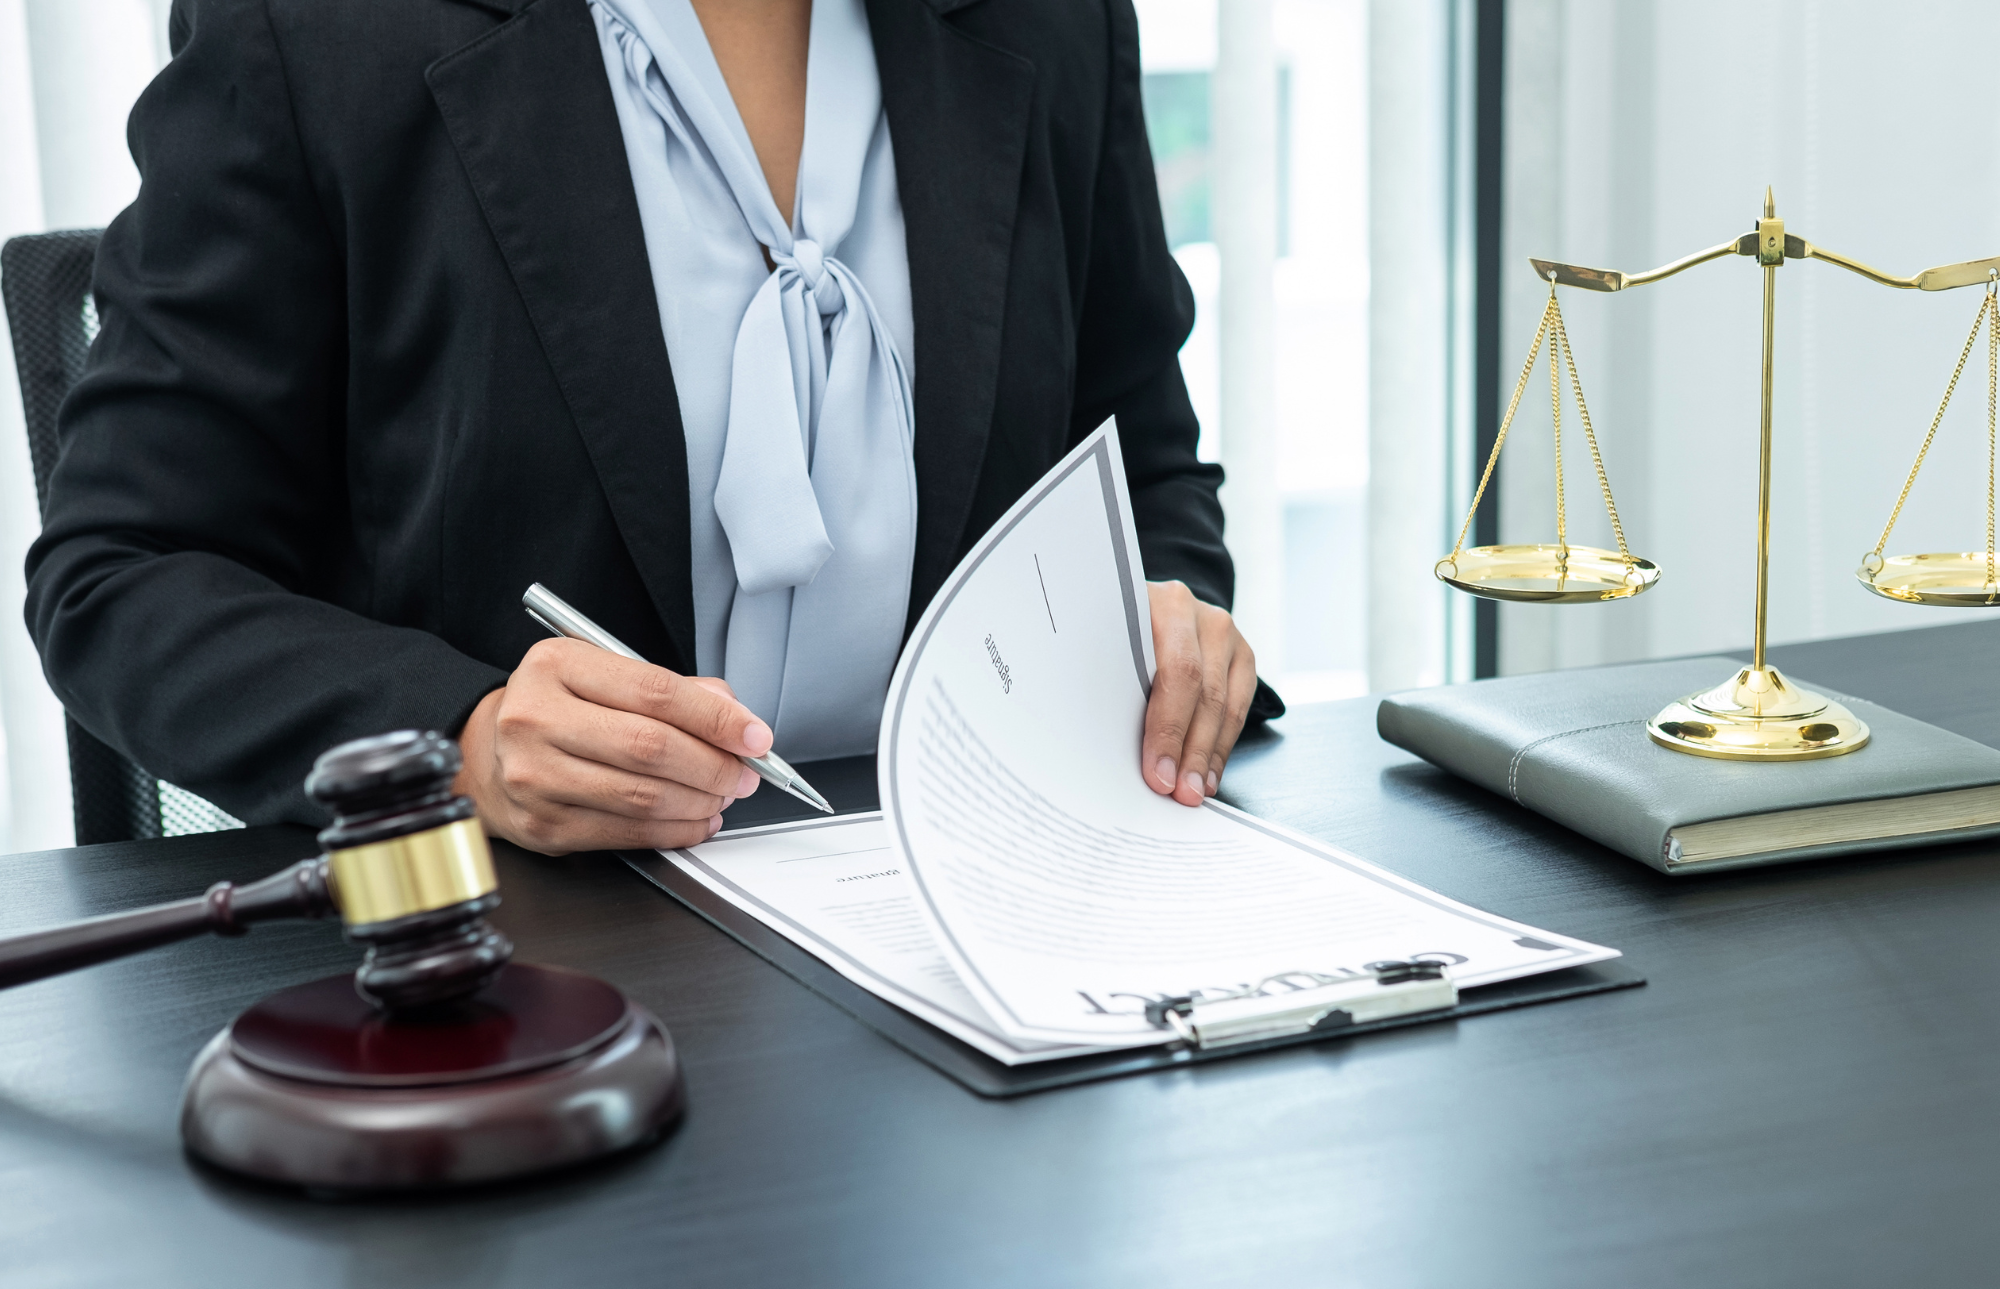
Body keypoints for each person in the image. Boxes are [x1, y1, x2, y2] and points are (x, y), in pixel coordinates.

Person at [27, 0, 1278, 853]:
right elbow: (121, 574)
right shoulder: (314, 27)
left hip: (993, 907)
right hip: (539, 984)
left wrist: (1158, 607)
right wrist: (461, 741)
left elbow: (1141, 461)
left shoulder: (1045, 19)